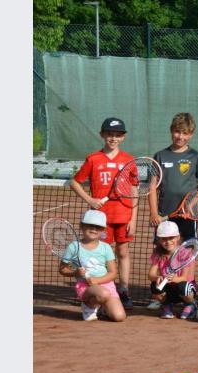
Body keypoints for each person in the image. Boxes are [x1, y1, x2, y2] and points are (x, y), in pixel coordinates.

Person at [69, 117, 137, 311]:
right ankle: (101, 290)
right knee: (100, 255)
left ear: (123, 137)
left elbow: (134, 189)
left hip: (123, 215)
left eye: (117, 135)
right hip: (100, 219)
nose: (113, 138)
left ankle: (123, 290)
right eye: (109, 134)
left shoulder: (129, 160)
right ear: (102, 135)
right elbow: (74, 182)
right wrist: (90, 200)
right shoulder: (93, 159)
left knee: (123, 252)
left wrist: (133, 218)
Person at [148, 112, 198, 241]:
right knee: (163, 250)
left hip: (188, 216)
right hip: (164, 214)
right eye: (177, 132)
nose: (180, 136)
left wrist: (190, 205)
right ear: (171, 131)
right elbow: (152, 187)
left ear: (191, 134)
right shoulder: (159, 156)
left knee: (187, 250)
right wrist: (154, 213)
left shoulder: (196, 156)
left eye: (185, 133)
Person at [58, 210, 127, 322]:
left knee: (119, 317)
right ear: (81, 226)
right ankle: (89, 306)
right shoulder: (73, 247)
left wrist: (97, 280)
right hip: (86, 288)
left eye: (98, 227)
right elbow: (62, 269)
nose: (94, 229)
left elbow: (113, 273)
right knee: (103, 294)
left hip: (106, 285)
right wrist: (75, 273)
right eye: (90, 225)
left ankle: (102, 307)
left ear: (103, 230)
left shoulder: (106, 247)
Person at [148, 221, 197, 319]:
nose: (168, 242)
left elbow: (184, 277)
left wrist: (174, 279)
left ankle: (190, 304)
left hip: (184, 287)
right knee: (154, 286)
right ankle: (166, 305)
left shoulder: (185, 253)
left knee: (183, 286)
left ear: (178, 237)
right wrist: (157, 277)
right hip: (169, 287)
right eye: (164, 239)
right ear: (159, 239)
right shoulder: (158, 253)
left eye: (171, 238)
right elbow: (150, 275)